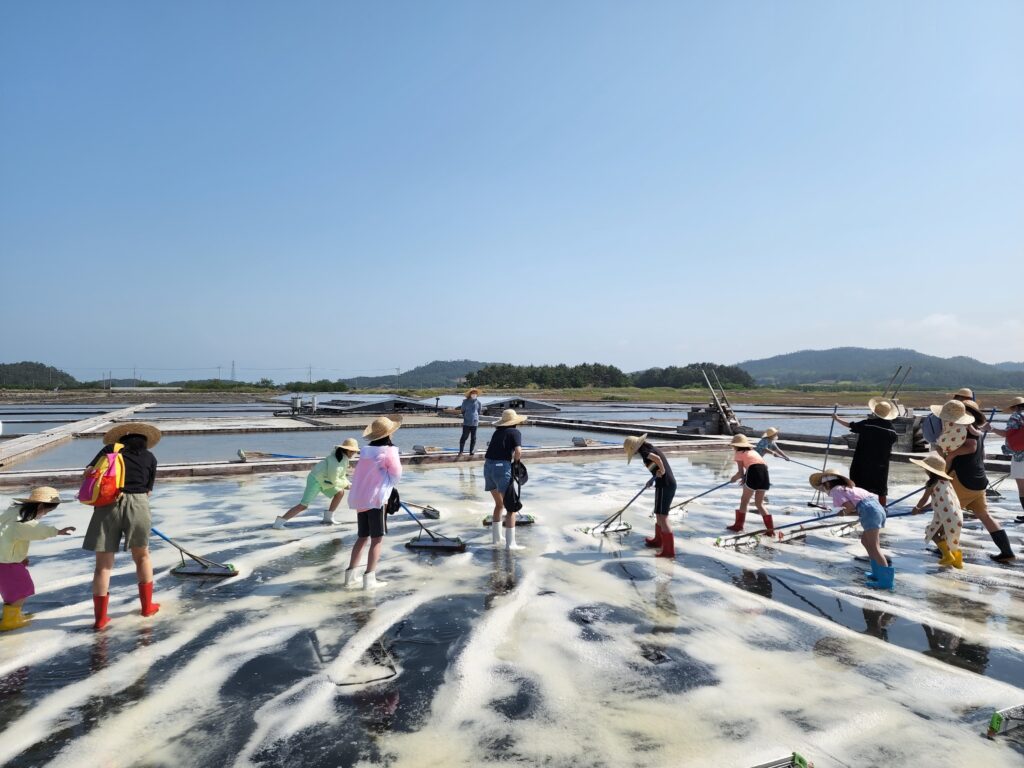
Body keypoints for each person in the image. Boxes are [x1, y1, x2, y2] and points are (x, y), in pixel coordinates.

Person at [81, 422, 162, 630]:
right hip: (138, 503)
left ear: (120, 440)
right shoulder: (151, 458)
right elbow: (148, 491)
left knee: (103, 565)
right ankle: (147, 607)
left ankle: (100, 619)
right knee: (142, 556)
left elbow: (88, 473)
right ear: (145, 442)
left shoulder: (110, 450)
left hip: (108, 504)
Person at [945, 401, 1016, 562]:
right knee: (984, 515)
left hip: (964, 479)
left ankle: (946, 549)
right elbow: (981, 454)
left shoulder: (966, 429)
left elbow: (971, 447)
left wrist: (952, 455)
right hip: (978, 480)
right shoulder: (975, 429)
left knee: (949, 514)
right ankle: (1007, 552)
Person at [0, 487, 75, 631]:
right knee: (22, 588)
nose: (45, 515)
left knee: (13, 590)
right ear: (40, 506)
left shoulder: (13, 513)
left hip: (5, 559)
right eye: (46, 511)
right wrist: (57, 531)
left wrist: (22, 556)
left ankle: (12, 616)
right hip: (6, 562)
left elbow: (10, 537)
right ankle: (10, 621)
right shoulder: (22, 520)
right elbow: (35, 529)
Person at [809, 470, 893, 590]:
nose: (824, 490)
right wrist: (846, 512)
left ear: (827, 485)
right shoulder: (845, 488)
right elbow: (857, 506)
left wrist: (843, 512)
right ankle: (876, 572)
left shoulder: (836, 490)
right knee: (866, 541)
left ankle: (885, 581)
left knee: (874, 546)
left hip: (870, 511)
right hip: (875, 509)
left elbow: (850, 507)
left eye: (823, 487)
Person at [345, 416, 402, 589]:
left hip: (360, 498)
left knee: (362, 537)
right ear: (389, 434)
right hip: (376, 500)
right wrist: (389, 488)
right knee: (377, 539)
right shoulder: (389, 451)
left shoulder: (365, 451)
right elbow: (397, 474)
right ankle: (369, 580)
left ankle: (350, 577)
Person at [273, 439, 359, 528]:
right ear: (348, 451)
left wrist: (349, 484)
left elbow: (341, 476)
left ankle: (328, 518)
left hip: (325, 480)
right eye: (353, 452)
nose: (354, 454)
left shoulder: (343, 458)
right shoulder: (336, 460)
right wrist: (347, 485)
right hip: (316, 480)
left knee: (339, 493)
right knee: (303, 505)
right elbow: (334, 479)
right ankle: (279, 523)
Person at [833, 399, 898, 504]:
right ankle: (883, 508)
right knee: (880, 488)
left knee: (859, 483)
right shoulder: (892, 431)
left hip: (862, 461)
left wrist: (837, 418)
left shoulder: (868, 424)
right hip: (881, 464)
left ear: (875, 412)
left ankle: (858, 506)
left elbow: (851, 425)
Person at [624, 434, 677, 558]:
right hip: (662, 484)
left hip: (666, 485)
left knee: (663, 517)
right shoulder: (648, 450)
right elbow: (656, 470)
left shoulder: (646, 452)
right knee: (658, 513)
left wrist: (662, 470)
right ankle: (658, 541)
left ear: (635, 448)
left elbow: (657, 459)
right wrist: (652, 480)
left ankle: (668, 551)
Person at [909, 452, 964, 569]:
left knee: (932, 532)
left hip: (946, 516)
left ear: (930, 471)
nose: (925, 471)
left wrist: (917, 508)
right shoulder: (947, 483)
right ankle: (957, 562)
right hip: (956, 515)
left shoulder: (932, 484)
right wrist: (923, 509)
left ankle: (948, 556)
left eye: (926, 469)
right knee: (950, 538)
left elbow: (924, 499)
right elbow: (937, 501)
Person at [484, 409, 527, 550]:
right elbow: (518, 451)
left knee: (499, 504)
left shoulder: (497, 432)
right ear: (515, 422)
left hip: (488, 467)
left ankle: (497, 539)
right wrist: (516, 464)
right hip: (502, 468)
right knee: (511, 508)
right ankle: (511, 544)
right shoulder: (515, 432)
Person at [725, 434, 773, 535]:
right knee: (759, 504)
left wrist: (733, 479)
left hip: (754, 473)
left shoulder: (739, 453)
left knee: (744, 501)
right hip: (764, 475)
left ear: (736, 445)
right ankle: (770, 530)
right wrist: (745, 477)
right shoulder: (753, 452)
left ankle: (738, 526)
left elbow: (740, 472)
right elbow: (759, 466)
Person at [988, 396, 1024, 522]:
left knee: (1022, 487)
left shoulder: (1016, 416)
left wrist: (991, 428)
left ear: (1014, 407)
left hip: (1021, 456)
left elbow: (1007, 433)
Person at [458, 388, 483, 457]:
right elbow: (462, 411)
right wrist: (467, 416)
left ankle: (471, 451)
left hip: (475, 423)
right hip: (466, 422)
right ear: (470, 394)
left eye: (475, 393)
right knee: (464, 436)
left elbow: (478, 411)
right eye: (473, 393)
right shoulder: (465, 402)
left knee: (473, 437)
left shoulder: (478, 402)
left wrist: (475, 417)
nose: (474, 394)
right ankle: (461, 451)